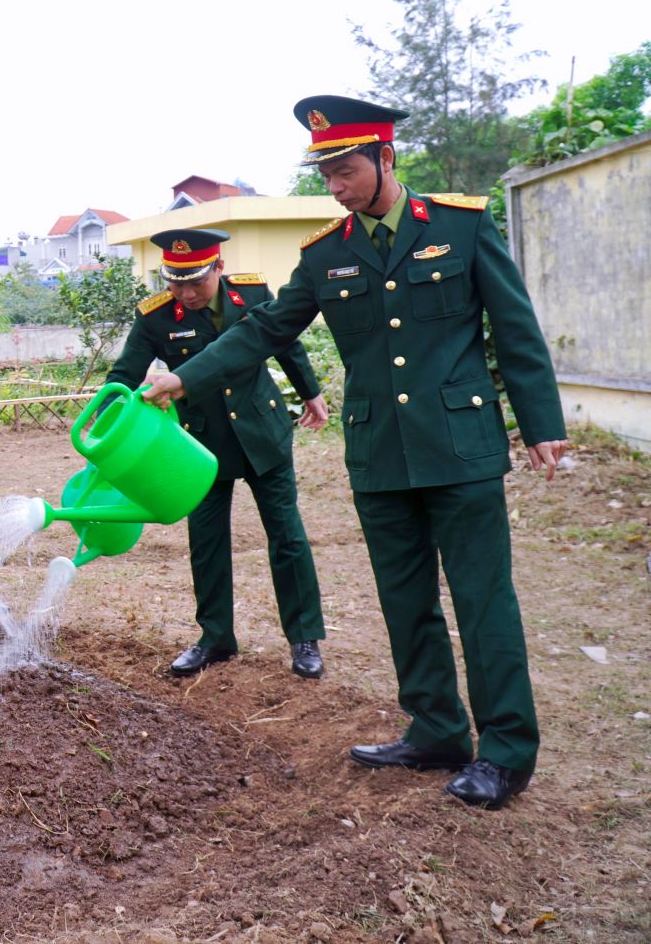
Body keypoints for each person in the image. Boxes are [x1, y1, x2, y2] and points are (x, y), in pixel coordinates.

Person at [142, 95, 569, 810]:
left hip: (461, 448)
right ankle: (436, 729)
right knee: (405, 600)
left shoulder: (460, 226)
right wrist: (183, 377)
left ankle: (505, 751)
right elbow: (263, 330)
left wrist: (540, 423)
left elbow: (514, 325)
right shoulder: (326, 253)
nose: (335, 186)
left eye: (346, 171)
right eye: (327, 175)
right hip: (378, 453)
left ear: (385, 157)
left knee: (482, 600)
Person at [105, 229, 330, 680]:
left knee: (286, 535)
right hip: (200, 445)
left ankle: (304, 637)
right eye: (175, 283)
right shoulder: (154, 316)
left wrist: (311, 393)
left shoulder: (251, 294)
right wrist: (106, 421)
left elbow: (285, 343)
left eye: (196, 282)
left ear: (219, 268)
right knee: (206, 543)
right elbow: (125, 374)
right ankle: (215, 638)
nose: (186, 294)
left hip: (262, 432)